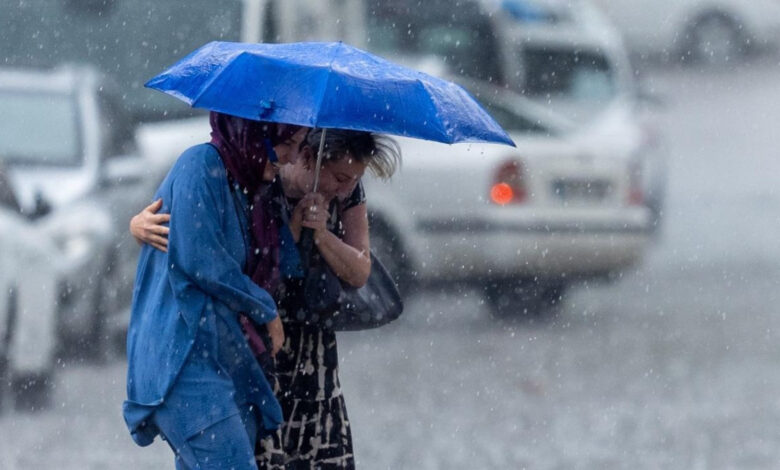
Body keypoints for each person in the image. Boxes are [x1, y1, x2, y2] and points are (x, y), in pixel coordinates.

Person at [131, 128, 401, 469]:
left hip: (311, 348)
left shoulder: (346, 194)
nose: (344, 188)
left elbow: (359, 271)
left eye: (353, 180)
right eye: (340, 177)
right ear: (308, 158)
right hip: (258, 341)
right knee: (254, 455)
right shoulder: (260, 174)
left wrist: (322, 236)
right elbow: (204, 242)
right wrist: (137, 227)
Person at [123, 111, 309, 470]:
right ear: (256, 135)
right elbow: (201, 259)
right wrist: (264, 308)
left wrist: (305, 218)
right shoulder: (200, 166)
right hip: (183, 362)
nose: (291, 157)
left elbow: (282, 264)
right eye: (287, 144)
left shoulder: (249, 187)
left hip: (225, 360)